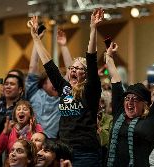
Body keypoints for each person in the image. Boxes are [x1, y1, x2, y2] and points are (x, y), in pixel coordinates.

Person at [28, 8, 104, 166]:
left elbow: (91, 58)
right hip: (64, 149)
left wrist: (93, 29)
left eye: (78, 68)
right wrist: (36, 38)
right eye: (72, 68)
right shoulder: (64, 88)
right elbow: (49, 65)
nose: (73, 70)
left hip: (85, 152)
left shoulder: (91, 90)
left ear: (86, 74)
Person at [105, 40, 154, 167]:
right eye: (127, 98)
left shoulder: (151, 120)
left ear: (145, 104)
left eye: (135, 99)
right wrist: (109, 56)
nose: (130, 102)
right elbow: (115, 79)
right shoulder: (120, 113)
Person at [25, 28, 72, 139]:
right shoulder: (34, 93)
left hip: (55, 141)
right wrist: (37, 40)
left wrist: (63, 46)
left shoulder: (64, 95)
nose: (57, 84)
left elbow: (71, 72)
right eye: (52, 81)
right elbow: (33, 66)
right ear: (43, 84)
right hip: (35, 140)